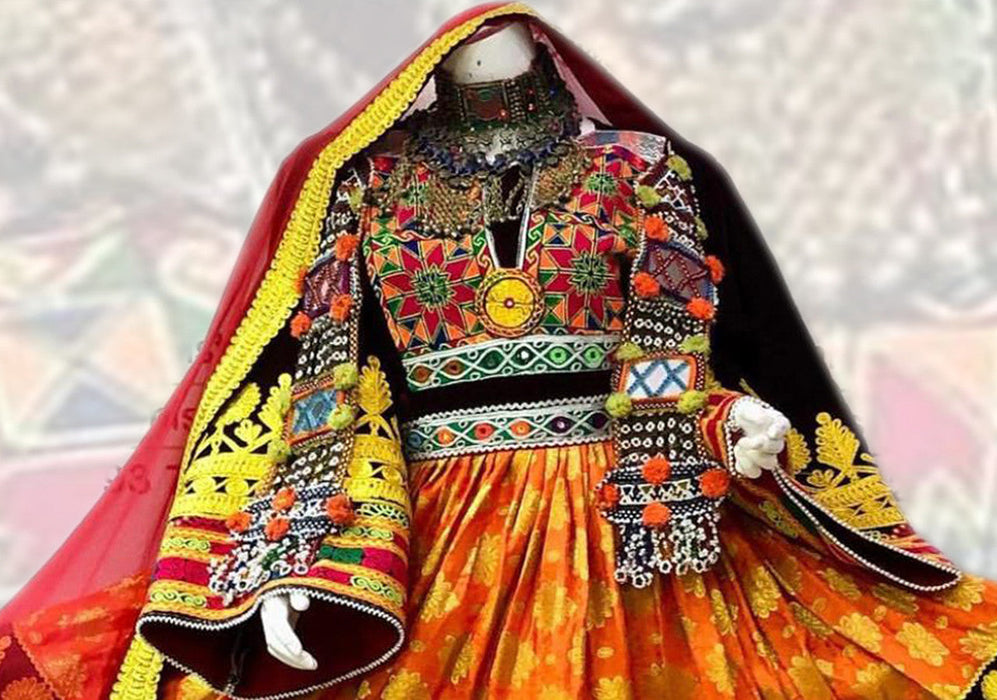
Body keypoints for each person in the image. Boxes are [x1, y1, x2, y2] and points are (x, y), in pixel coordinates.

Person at [2, 4, 996, 699]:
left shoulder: (645, 170)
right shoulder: (365, 184)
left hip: (631, 517)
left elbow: (685, 343)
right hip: (437, 522)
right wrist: (300, 544)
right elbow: (334, 381)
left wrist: (726, 420)